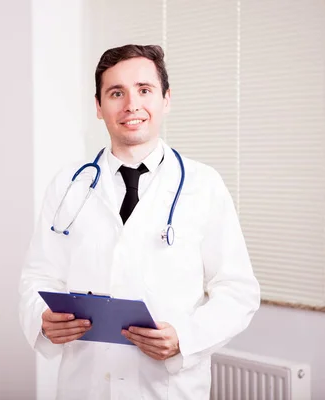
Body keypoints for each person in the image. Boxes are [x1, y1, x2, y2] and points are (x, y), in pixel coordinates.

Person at [18, 44, 260, 400]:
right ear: (99, 107)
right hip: (85, 385)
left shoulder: (203, 185)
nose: (131, 105)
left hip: (169, 387)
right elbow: (38, 276)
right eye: (116, 93)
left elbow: (238, 290)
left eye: (144, 90)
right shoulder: (69, 185)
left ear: (166, 99)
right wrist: (42, 317)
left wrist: (185, 338)